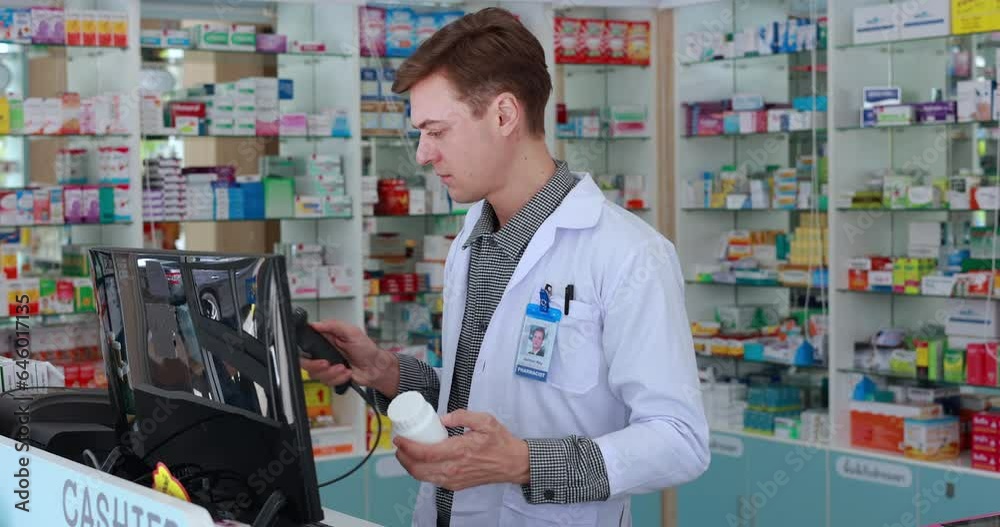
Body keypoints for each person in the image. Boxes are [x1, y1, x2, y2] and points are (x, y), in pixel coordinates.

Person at [301, 7, 709, 526]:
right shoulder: (472, 238)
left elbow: (679, 439)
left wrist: (522, 462)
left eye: (436, 131)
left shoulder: (629, 255)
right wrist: (385, 372)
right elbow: (475, 397)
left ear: (503, 115)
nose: (423, 154)